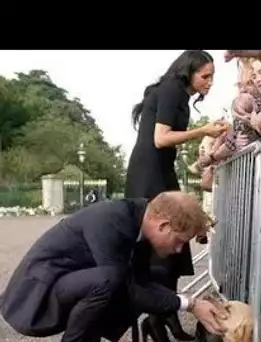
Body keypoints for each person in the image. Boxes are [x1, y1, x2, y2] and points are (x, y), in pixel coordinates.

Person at [0, 191, 228, 342]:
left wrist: (188, 301)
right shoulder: (113, 219)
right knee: (110, 280)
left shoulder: (138, 220)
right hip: (34, 300)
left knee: (155, 277)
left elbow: (139, 282)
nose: (179, 250)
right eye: (180, 241)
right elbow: (125, 287)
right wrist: (189, 304)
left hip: (65, 286)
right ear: (164, 225)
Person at [125, 50, 229, 341]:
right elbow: (161, 138)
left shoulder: (179, 95)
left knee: (174, 244)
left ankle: (164, 317)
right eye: (205, 76)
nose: (209, 82)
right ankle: (158, 319)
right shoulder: (171, 89)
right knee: (161, 243)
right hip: (149, 173)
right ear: (189, 72)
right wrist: (204, 130)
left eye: (212, 77)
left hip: (160, 169)